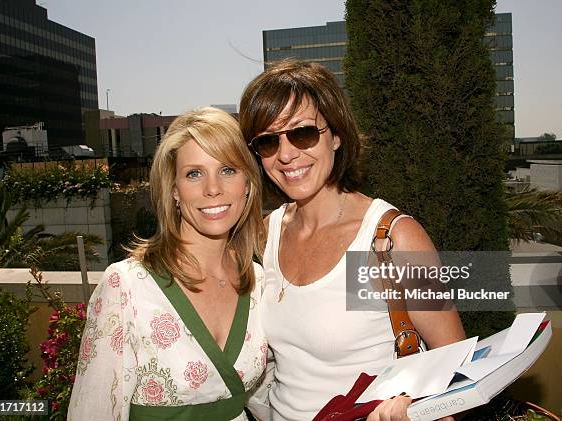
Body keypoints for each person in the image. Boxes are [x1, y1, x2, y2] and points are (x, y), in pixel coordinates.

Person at [239, 59, 466, 421]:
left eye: (302, 133)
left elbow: (456, 371)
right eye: (268, 141)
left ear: (336, 134)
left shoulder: (391, 239)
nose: (285, 155)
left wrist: (416, 409)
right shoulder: (265, 235)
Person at [68, 107, 269, 421]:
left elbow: (268, 396)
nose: (213, 189)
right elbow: (92, 411)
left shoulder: (257, 282)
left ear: (248, 183)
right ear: (174, 190)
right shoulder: (127, 286)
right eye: (194, 173)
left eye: (228, 169)